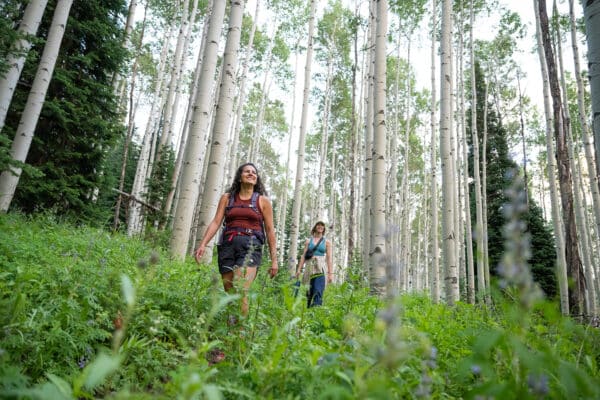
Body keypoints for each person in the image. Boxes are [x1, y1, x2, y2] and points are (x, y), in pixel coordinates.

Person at [194, 162, 278, 318]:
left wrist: (274, 260)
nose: (251, 174)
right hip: (227, 247)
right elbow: (216, 222)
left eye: (254, 172)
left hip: (251, 247)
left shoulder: (262, 201)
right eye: (247, 171)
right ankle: (230, 332)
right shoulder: (227, 198)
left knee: (240, 289)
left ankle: (239, 336)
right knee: (230, 292)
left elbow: (270, 230)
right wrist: (203, 244)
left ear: (257, 178)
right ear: (240, 176)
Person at [295, 221, 333, 307]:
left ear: (324, 229)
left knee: (318, 289)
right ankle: (309, 310)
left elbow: (329, 258)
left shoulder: (327, 242)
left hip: (320, 267)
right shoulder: (308, 241)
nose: (320, 227)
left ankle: (316, 309)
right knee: (309, 291)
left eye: (322, 225)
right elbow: (304, 256)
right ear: (315, 227)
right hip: (309, 267)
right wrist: (299, 270)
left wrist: (330, 274)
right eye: (318, 225)